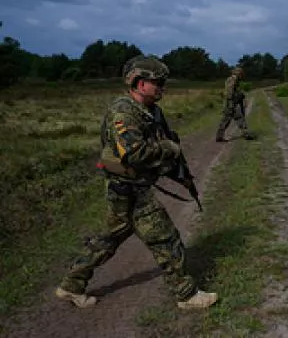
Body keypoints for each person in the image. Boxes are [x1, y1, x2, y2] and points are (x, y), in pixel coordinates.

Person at [55, 55, 218, 310]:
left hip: (128, 187)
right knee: (166, 240)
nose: (162, 87)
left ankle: (71, 285)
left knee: (109, 239)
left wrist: (178, 170)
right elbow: (133, 154)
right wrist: (168, 148)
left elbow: (160, 143)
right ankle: (186, 295)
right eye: (158, 82)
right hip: (129, 190)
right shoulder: (123, 113)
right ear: (140, 83)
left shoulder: (151, 111)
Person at [215, 64, 251, 142]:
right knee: (229, 119)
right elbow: (229, 91)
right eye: (241, 74)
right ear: (238, 73)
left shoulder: (234, 80)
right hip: (231, 103)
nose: (242, 76)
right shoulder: (233, 79)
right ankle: (245, 134)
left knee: (236, 118)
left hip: (231, 102)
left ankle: (245, 134)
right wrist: (232, 101)